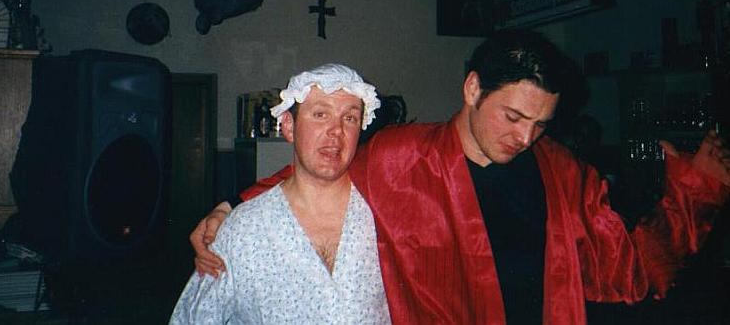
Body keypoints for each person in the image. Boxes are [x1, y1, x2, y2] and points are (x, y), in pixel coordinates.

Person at [192, 30, 730, 324]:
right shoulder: (401, 158)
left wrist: (698, 189)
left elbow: (628, 266)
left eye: (541, 124)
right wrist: (231, 207)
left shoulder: (561, 171)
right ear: (473, 89)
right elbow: (320, 169)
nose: (525, 138)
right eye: (512, 117)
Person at [171, 64, 390, 324]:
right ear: (288, 126)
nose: (336, 131)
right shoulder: (244, 230)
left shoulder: (384, 216)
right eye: (320, 114)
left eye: (350, 118)